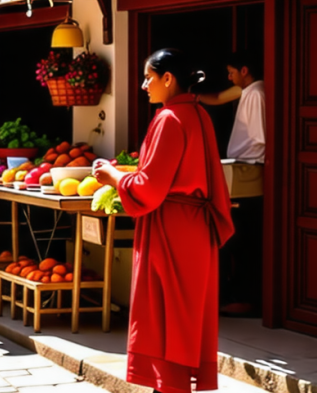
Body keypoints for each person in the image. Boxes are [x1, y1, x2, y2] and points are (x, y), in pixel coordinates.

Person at [94, 49, 234, 393]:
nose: (144, 85)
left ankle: (168, 387)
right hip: (195, 227)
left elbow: (150, 189)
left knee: (162, 314)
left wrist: (114, 177)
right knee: (185, 315)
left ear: (168, 79)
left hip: (170, 226)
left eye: (148, 78)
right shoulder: (199, 114)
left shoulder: (169, 118)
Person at [197, 53, 265, 316]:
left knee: (240, 236)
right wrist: (191, 96)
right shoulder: (246, 88)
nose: (228, 77)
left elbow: (261, 138)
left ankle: (243, 298)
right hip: (240, 168)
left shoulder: (257, 93)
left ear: (244, 70)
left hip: (249, 170)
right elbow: (217, 98)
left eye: (231, 72)